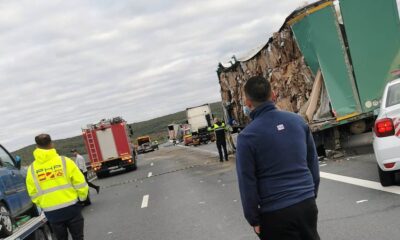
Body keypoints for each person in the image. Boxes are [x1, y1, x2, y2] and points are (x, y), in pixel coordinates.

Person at [236, 76, 320, 240]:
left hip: (274, 211)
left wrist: (253, 218)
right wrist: (310, 194)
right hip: (306, 203)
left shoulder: (247, 137)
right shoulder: (298, 122)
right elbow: (313, 163)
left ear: (248, 103)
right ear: (273, 95)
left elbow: (247, 182)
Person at [26, 134, 89, 240]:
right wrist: (82, 199)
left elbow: (32, 192)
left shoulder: (32, 169)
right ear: (51, 144)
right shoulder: (65, 161)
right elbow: (80, 182)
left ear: (36, 147)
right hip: (72, 208)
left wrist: (43, 204)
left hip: (52, 213)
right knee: (78, 237)